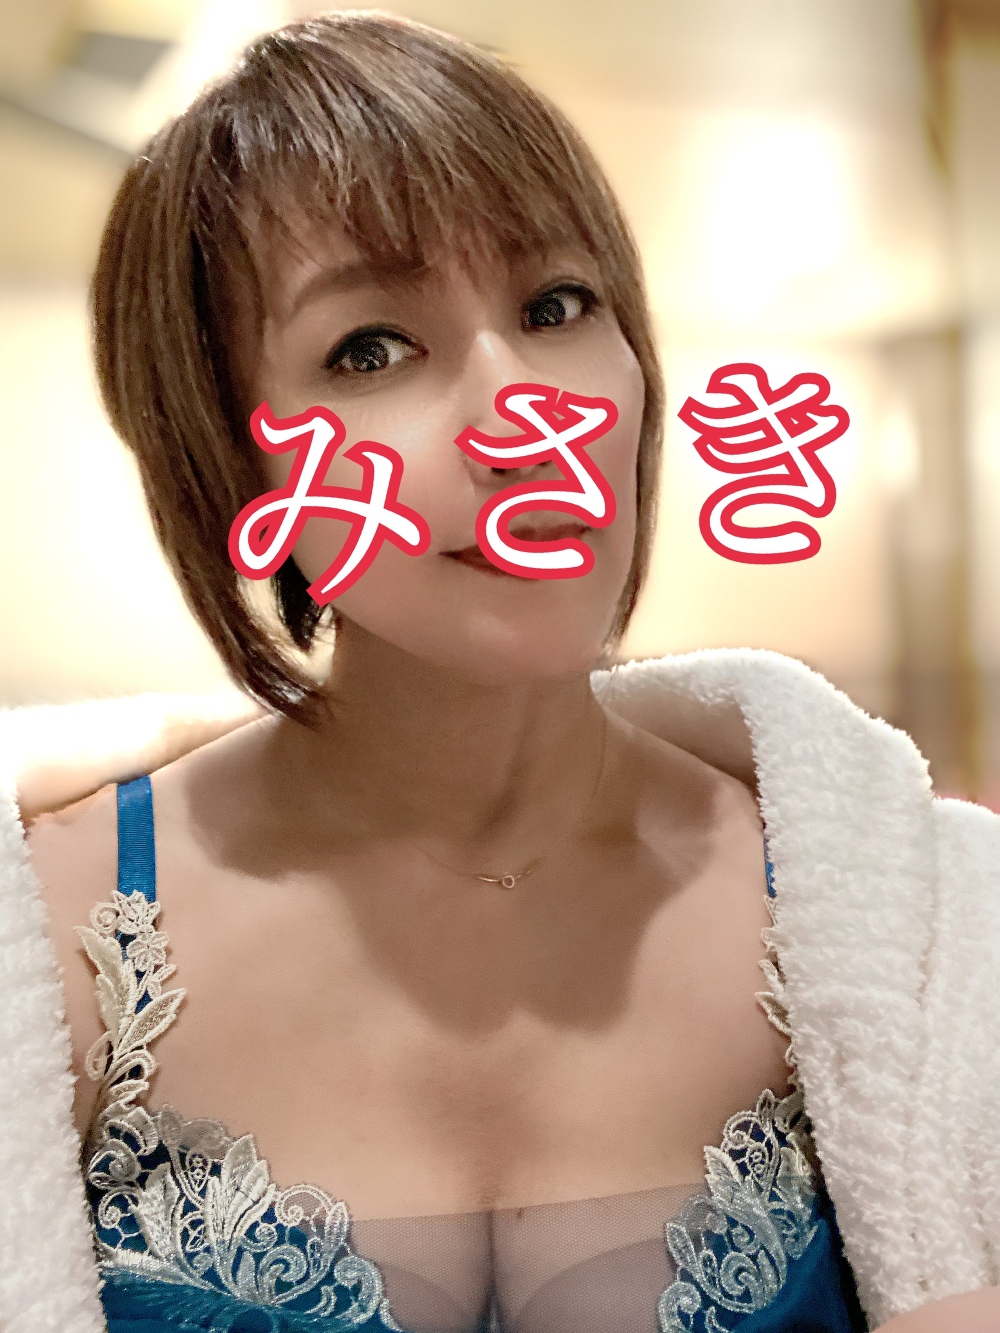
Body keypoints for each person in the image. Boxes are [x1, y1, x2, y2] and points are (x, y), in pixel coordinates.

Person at [1, 12, 999, 1333]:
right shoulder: (51, 934)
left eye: (555, 306)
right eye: (370, 347)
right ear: (228, 459)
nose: (524, 419)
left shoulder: (925, 930)